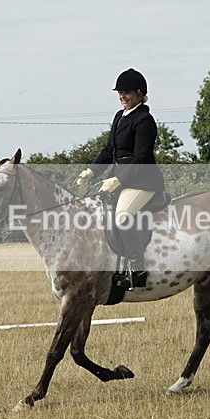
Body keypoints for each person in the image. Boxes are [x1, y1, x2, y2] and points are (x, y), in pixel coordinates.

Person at [76, 68, 165, 289]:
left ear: (139, 93)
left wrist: (119, 180)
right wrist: (92, 171)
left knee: (123, 217)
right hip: (121, 178)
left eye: (127, 93)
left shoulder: (145, 120)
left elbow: (141, 156)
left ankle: (138, 270)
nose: (122, 97)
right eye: (120, 93)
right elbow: (109, 150)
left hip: (143, 181)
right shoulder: (119, 117)